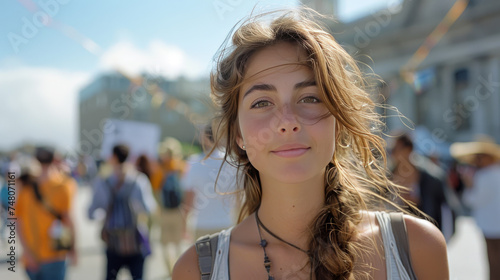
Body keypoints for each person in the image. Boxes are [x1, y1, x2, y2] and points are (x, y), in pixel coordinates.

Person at [173, 9, 448, 280]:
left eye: (310, 98)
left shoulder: (417, 247)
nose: (287, 121)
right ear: (239, 135)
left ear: (337, 122)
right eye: (261, 103)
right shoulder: (196, 270)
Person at [88, 144, 157, 280]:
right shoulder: (138, 180)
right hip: (135, 242)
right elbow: (149, 209)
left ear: (113, 157)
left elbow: (90, 214)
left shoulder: (103, 182)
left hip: (113, 243)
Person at [17, 147, 78, 280]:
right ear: (55, 160)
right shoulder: (65, 184)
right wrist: (73, 249)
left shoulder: (24, 187)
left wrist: (27, 252)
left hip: (32, 254)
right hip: (56, 252)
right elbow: (68, 220)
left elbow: (18, 221)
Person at [451, 135, 500, 280]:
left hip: (490, 226)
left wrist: (469, 185)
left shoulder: (483, 176)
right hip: (492, 224)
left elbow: (473, 200)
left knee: (494, 262)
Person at [182, 125, 239, 240]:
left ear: (204, 138)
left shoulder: (194, 163)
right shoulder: (232, 162)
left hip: (202, 224)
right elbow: (238, 197)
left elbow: (189, 198)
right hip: (227, 223)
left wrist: (184, 226)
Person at [390, 134, 449, 235]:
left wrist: (416, 201)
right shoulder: (388, 176)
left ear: (408, 149)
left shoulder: (430, 177)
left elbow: (441, 209)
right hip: (394, 232)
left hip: (423, 231)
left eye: (395, 149)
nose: (392, 153)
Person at [150, 137, 188, 273]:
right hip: (179, 210)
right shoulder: (182, 166)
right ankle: (179, 268)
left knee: (165, 244)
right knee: (178, 243)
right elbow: (186, 190)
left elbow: (155, 191)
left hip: (165, 211)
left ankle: (170, 269)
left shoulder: (159, 169)